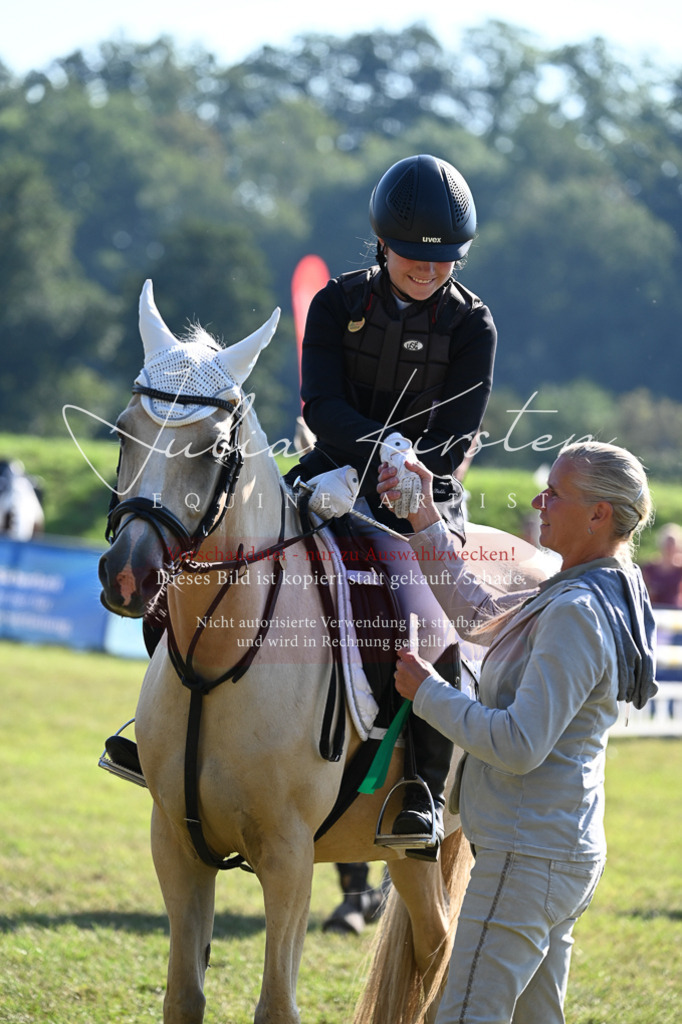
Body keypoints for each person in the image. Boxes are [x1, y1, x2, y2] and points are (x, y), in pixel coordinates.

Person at [378, 440, 656, 1024]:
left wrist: (428, 693)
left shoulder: (578, 608)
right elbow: (482, 616)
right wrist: (425, 517)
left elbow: (517, 745)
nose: (538, 500)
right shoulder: (600, 588)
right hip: (553, 852)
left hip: (527, 859)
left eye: (554, 493)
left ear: (598, 514)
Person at [291, 153, 497, 859]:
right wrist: (367, 457)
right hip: (333, 470)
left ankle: (424, 794)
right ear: (383, 242)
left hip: (426, 492)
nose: (429, 270)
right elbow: (321, 403)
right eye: (414, 256)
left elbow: (458, 430)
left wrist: (410, 471)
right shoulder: (337, 303)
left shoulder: (474, 325)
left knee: (432, 621)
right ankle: (161, 729)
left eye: (444, 261)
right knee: (220, 555)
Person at [641, 522, 682, 607]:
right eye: (667, 543)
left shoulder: (679, 568)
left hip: (675, 611)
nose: (669, 547)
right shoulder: (650, 567)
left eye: (672, 544)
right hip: (655, 609)